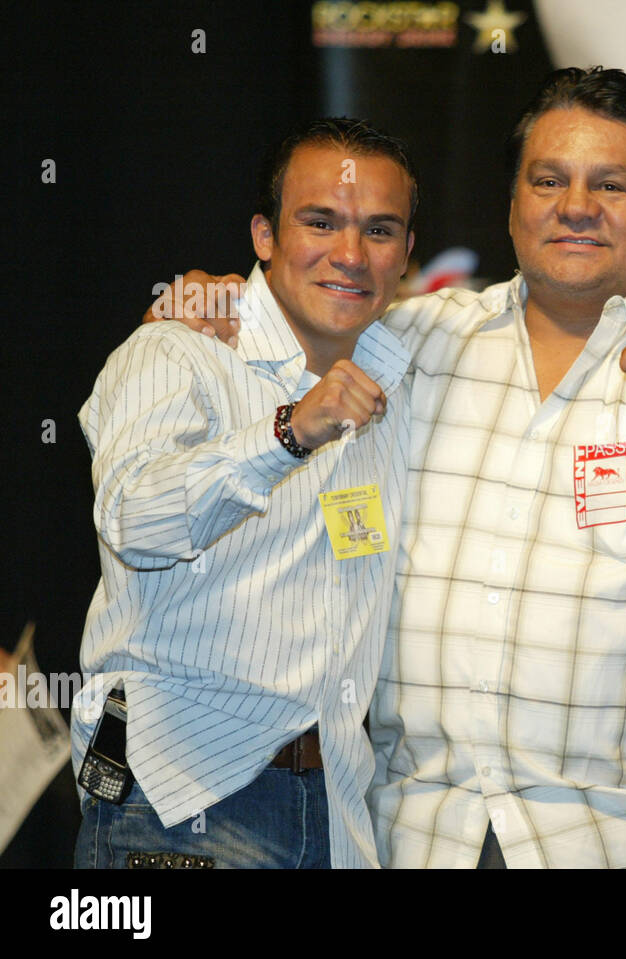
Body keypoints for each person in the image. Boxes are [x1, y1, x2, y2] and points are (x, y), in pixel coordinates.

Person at [151, 67, 626, 868]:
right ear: (515, 205)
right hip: (417, 836)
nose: (576, 205)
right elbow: (295, 323)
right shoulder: (414, 338)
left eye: (613, 184)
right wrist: (221, 300)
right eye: (548, 179)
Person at [75, 118, 416, 868]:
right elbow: (132, 517)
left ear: (407, 255)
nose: (351, 255)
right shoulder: (179, 350)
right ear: (264, 235)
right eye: (320, 222)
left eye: (380, 230)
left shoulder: (404, 374)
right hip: (180, 802)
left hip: (337, 815)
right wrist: (289, 430)